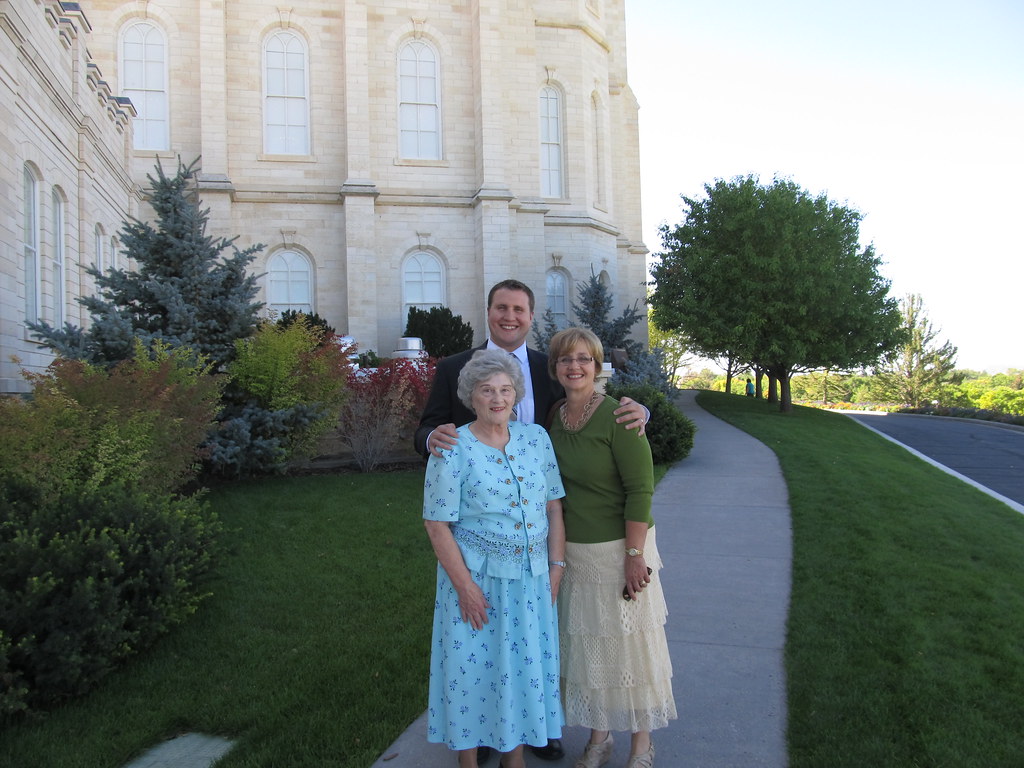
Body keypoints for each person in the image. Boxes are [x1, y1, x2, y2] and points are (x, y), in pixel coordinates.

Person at [414, 278, 649, 765]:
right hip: (480, 546)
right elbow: (427, 430)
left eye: (519, 309)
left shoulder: (551, 367)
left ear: (530, 314)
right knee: (480, 654)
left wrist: (639, 409)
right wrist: (432, 438)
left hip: (550, 549)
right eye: (501, 307)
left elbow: (587, 404)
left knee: (538, 650)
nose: (510, 316)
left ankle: (537, 730)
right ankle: (479, 736)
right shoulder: (456, 369)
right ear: (488, 311)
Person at [423, 349, 567, 768]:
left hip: (531, 580)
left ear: (516, 394)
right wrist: (465, 589)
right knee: (472, 674)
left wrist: (555, 569)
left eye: (506, 390)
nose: (498, 398)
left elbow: (554, 507)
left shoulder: (536, 438)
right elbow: (436, 525)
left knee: (522, 669)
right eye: (487, 390)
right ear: (472, 396)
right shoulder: (452, 448)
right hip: (477, 583)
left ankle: (513, 758)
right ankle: (469, 761)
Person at [546, 327, 676, 768]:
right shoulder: (555, 418)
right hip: (578, 554)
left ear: (598, 366)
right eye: (566, 359)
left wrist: (634, 557)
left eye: (584, 358)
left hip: (623, 549)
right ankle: (598, 739)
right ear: (555, 368)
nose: (575, 366)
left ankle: (642, 745)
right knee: (591, 652)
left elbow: (641, 489)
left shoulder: (622, 416)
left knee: (632, 649)